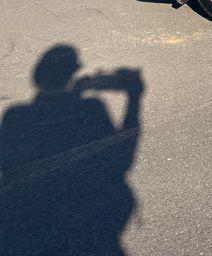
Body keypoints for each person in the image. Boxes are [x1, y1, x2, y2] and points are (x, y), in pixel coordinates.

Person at [0, 44, 144, 255]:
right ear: (73, 72)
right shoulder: (91, 109)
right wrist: (134, 97)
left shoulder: (15, 117)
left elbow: (9, 167)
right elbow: (121, 161)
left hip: (27, 229)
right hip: (89, 230)